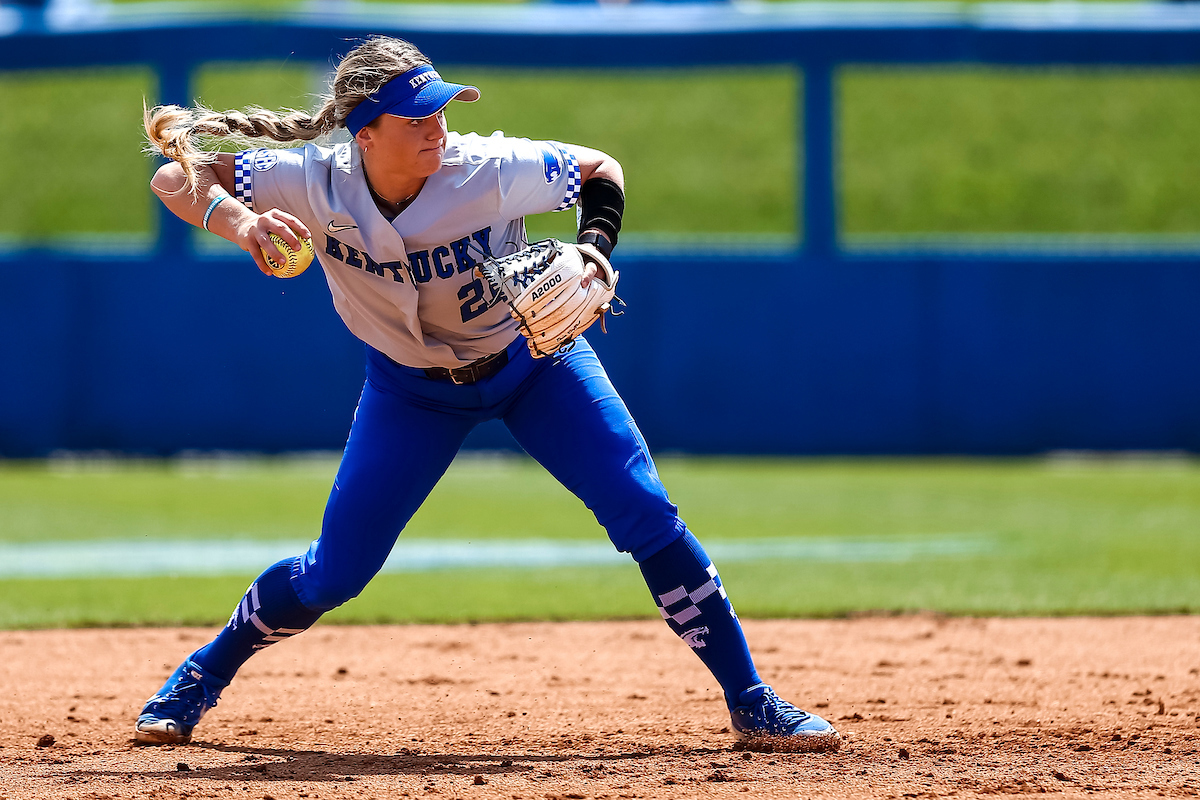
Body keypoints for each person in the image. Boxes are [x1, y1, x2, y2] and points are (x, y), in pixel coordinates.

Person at [135, 35, 839, 753]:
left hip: (535, 365)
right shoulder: (313, 181)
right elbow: (175, 180)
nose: (436, 127)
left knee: (646, 512)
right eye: (416, 119)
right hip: (410, 392)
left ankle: (752, 701)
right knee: (335, 572)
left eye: (439, 111)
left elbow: (601, 169)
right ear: (364, 132)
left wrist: (595, 245)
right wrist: (243, 222)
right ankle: (201, 674)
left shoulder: (486, 169)